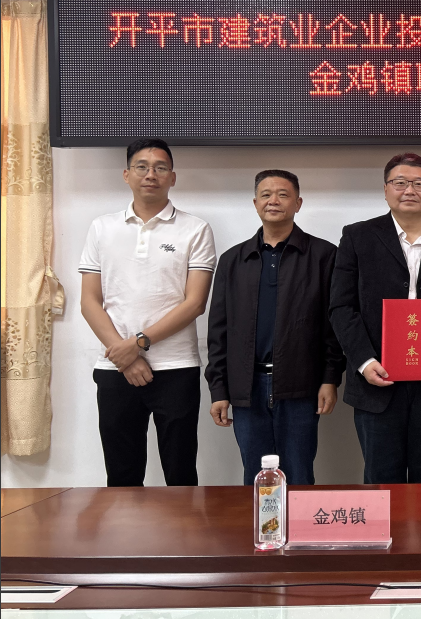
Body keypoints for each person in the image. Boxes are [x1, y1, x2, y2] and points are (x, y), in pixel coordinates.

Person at [330, 152, 421, 484]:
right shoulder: (357, 237)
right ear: (385, 190)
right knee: (381, 480)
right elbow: (341, 307)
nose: (409, 190)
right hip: (377, 381)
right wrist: (365, 361)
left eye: (419, 183)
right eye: (400, 182)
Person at [78, 139, 215, 486]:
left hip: (176, 367)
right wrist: (124, 357)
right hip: (115, 369)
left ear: (173, 177)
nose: (150, 174)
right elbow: (89, 301)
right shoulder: (102, 227)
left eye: (160, 168)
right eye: (141, 166)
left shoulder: (195, 229)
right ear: (126, 175)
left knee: (180, 474)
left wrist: (137, 344)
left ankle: (182, 527)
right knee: (121, 475)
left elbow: (194, 303)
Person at [206, 170, 345, 485]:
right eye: (266, 194)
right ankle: (261, 522)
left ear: (298, 203)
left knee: (298, 472)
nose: (274, 201)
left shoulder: (323, 256)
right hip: (247, 386)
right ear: (255, 203)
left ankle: (299, 521)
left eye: (283, 194)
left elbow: (333, 326)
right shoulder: (233, 260)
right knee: (256, 477)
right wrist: (219, 389)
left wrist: (330, 379)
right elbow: (219, 332)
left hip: (301, 383)